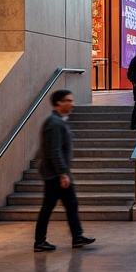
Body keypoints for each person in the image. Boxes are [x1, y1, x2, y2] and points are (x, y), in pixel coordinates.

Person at [34, 89, 96, 252]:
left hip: (55, 172)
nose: (71, 103)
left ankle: (76, 237)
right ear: (58, 103)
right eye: (67, 100)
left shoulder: (57, 121)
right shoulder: (54, 123)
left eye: (71, 100)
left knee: (68, 204)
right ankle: (43, 241)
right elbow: (54, 151)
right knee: (54, 206)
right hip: (55, 173)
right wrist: (62, 173)